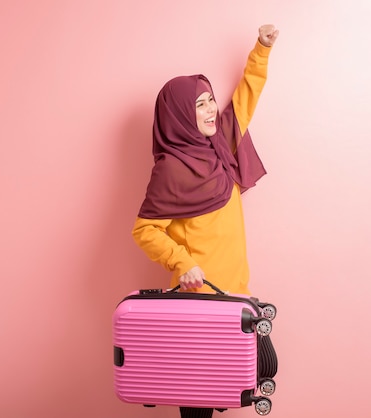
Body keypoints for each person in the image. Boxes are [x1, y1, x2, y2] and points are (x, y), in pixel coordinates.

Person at [131, 25, 280, 418]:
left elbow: (245, 99)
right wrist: (182, 264)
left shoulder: (220, 146)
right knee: (197, 403)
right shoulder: (171, 170)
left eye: (210, 100)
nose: (211, 109)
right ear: (179, 114)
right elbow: (144, 230)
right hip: (198, 304)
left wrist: (262, 49)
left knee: (246, 380)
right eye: (199, 105)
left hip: (236, 294)